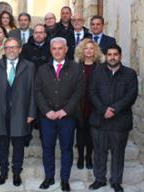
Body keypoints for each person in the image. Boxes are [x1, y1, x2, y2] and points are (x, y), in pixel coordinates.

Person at [35, 37, 85, 191]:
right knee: (47, 148)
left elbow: (79, 92)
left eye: (60, 48)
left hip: (67, 118)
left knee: (66, 149)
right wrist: (47, 111)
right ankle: (49, 177)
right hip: (47, 118)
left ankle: (65, 180)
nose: (57, 51)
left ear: (66, 49)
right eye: (54, 48)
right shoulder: (42, 69)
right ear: (50, 50)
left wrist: (65, 110)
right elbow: (37, 92)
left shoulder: (76, 69)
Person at [0, 38, 35, 187]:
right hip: (0, 113)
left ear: (20, 49)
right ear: (4, 50)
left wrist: (31, 113)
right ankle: (3, 171)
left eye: (14, 47)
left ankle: (16, 173)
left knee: (18, 146)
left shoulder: (29, 66)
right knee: (2, 145)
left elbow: (33, 91)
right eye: (8, 47)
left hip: (20, 113)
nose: (11, 50)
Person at [88, 44, 138, 192]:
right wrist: (103, 109)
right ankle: (99, 179)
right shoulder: (97, 72)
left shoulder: (130, 74)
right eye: (109, 54)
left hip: (120, 122)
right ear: (106, 56)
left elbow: (131, 95)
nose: (112, 57)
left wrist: (114, 110)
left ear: (120, 56)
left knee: (118, 153)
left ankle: (116, 181)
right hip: (99, 119)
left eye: (115, 54)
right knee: (99, 152)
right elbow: (92, 92)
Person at [74, 38, 104, 169]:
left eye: (91, 48)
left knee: (92, 133)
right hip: (80, 104)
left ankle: (89, 157)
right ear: (82, 50)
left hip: (95, 104)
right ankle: (80, 156)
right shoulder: (76, 66)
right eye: (86, 48)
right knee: (81, 132)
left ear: (95, 51)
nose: (89, 50)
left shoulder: (101, 67)